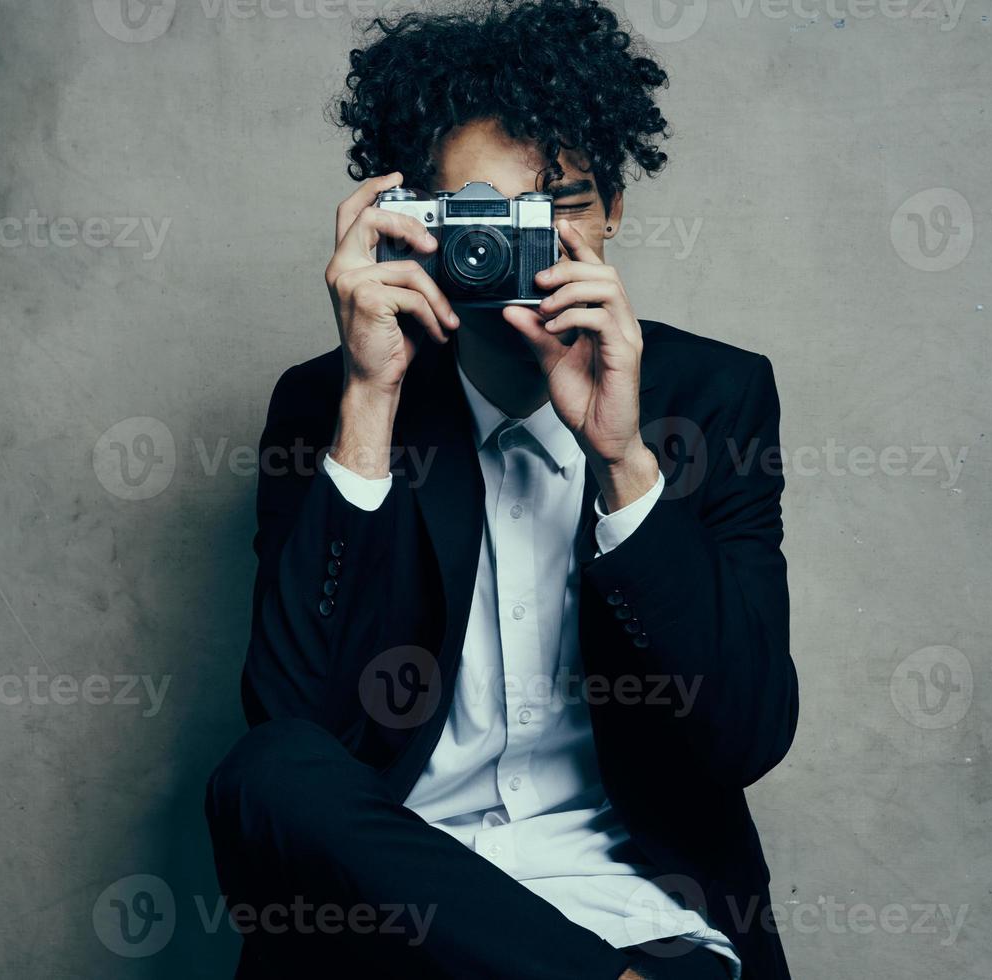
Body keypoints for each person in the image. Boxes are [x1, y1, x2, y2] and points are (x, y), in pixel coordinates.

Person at [205, 2, 797, 976]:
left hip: (635, 910)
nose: (528, 244)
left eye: (560, 203)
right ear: (418, 230)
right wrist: (370, 400)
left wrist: (623, 463)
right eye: (485, 215)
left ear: (615, 211)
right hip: (402, 923)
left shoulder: (712, 399)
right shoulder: (330, 398)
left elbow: (743, 736)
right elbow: (294, 726)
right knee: (268, 771)